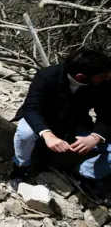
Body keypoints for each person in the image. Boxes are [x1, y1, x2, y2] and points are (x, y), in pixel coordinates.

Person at [10, 49, 111, 192]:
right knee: (25, 133)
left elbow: (107, 114)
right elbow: (31, 108)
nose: (108, 77)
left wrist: (94, 137)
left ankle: (84, 174)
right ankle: (21, 166)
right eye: (102, 76)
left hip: (76, 122)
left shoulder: (104, 84)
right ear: (81, 76)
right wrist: (47, 134)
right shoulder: (47, 75)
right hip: (43, 118)